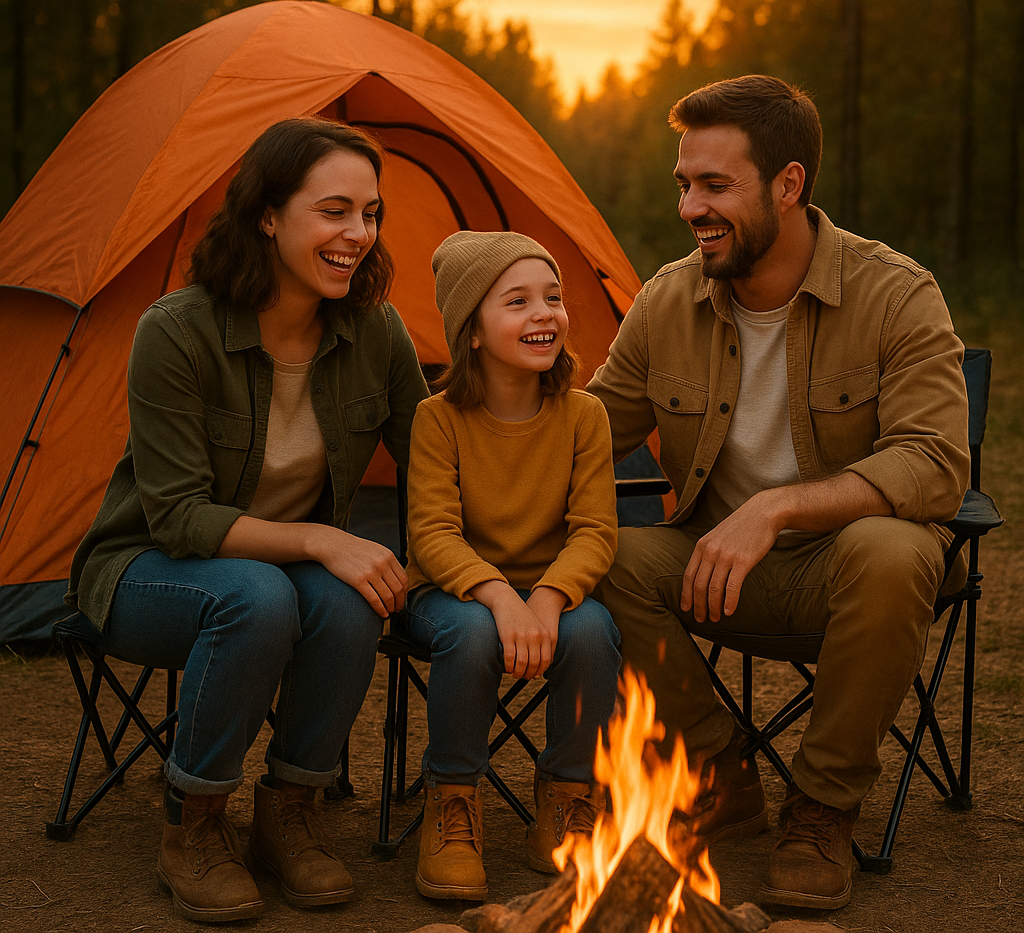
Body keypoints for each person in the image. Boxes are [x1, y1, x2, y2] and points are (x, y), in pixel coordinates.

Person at [587, 75, 970, 910]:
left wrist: (780, 506)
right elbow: (588, 431)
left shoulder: (896, 293)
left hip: (844, 570)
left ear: (788, 185)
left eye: (716, 185)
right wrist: (472, 422)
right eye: (685, 183)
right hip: (712, 566)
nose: (692, 207)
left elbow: (937, 462)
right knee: (607, 552)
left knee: (898, 548)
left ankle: (821, 810)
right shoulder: (667, 298)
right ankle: (719, 774)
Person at [67, 117, 428, 923]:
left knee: (345, 598)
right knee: (261, 595)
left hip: (283, 576)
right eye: (334, 211)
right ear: (268, 214)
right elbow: (180, 519)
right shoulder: (177, 330)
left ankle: (290, 811)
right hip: (148, 570)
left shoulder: (378, 333)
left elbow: (438, 463)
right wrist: (322, 537)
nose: (357, 234)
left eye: (370, 214)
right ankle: (192, 826)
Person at [404, 231, 622, 901]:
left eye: (553, 298)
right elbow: (432, 534)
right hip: (453, 592)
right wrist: (500, 597)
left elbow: (595, 531)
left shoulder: (584, 415)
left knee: (592, 632)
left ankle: (567, 795)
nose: (544, 313)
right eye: (518, 301)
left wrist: (550, 598)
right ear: (472, 330)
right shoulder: (437, 419)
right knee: (471, 634)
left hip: (547, 590)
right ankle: (452, 800)